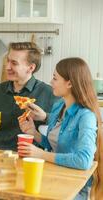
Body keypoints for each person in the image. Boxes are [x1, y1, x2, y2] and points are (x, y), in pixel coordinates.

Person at [18, 57, 103, 200]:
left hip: (74, 187)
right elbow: (55, 144)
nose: (51, 82)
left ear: (69, 83)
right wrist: (33, 133)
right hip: (53, 176)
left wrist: (40, 154)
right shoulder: (59, 106)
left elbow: (83, 160)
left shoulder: (85, 116)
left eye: (55, 78)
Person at [0, 42, 58, 151]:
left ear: (30, 67)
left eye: (14, 63)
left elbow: (62, 127)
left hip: (29, 155)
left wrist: (45, 116)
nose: (7, 67)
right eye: (7, 61)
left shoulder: (48, 93)